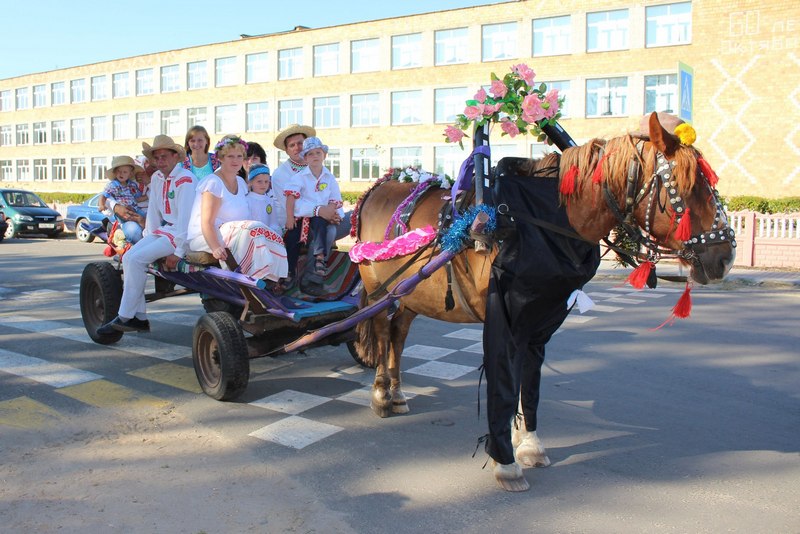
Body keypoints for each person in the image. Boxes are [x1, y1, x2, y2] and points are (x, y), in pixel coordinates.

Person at [97, 135, 197, 335]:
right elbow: (153, 211)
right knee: (129, 256)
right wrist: (147, 237)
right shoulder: (158, 178)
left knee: (136, 260)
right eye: (157, 157)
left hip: (182, 234)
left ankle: (126, 316)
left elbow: (187, 218)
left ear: (176, 156)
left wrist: (178, 251)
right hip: (166, 230)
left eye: (164, 156)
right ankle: (140, 317)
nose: (160, 161)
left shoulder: (186, 179)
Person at [186, 135, 287, 281]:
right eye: (230, 156)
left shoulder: (240, 182)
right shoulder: (213, 183)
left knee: (263, 233)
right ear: (220, 158)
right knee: (253, 230)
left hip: (235, 233)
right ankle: (254, 279)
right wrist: (215, 247)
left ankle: (269, 278)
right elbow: (207, 223)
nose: (236, 160)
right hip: (207, 236)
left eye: (240, 156)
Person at [271, 124, 316, 283]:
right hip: (293, 223)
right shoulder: (280, 174)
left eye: (300, 143)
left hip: (317, 217)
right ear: (287, 150)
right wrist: (320, 210)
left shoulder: (316, 166)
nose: (297, 148)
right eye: (292, 145)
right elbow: (294, 207)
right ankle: (309, 277)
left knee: (353, 218)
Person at [293, 137, 343, 276]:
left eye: (318, 153)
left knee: (354, 220)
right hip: (307, 219)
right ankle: (316, 267)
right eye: (310, 154)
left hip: (328, 216)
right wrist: (319, 210)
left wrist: (333, 214)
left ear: (324, 155)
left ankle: (365, 258)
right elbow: (296, 202)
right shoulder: (299, 178)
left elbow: (335, 197)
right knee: (330, 231)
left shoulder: (329, 177)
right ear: (305, 158)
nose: (315, 156)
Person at [99, 155, 146, 244]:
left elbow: (137, 198)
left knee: (147, 219)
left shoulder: (132, 185)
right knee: (132, 229)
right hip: (124, 212)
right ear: (115, 173)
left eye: (125, 172)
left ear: (130, 174)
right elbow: (104, 195)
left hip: (135, 209)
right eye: (119, 172)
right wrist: (101, 205)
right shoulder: (113, 185)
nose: (121, 174)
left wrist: (149, 196)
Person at [247, 163, 281, 234]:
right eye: (259, 181)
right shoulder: (246, 200)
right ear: (250, 182)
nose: (263, 185)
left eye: (266, 182)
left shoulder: (270, 201)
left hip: (268, 238)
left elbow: (273, 223)